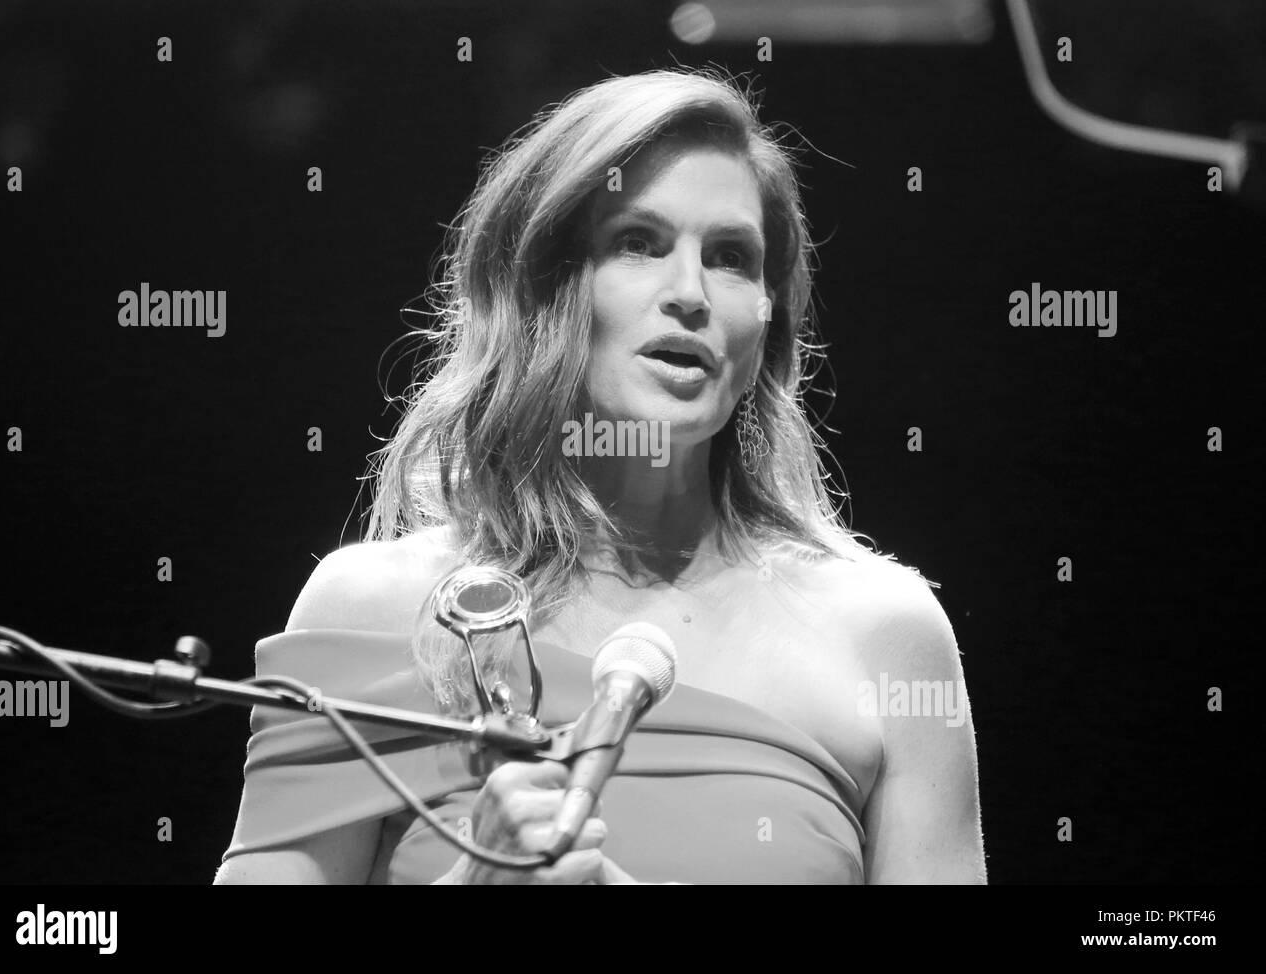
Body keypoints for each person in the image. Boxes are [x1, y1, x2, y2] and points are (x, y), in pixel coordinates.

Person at [214, 66, 986, 885]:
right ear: (545, 290)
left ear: (768, 320)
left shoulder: (885, 634)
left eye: (730, 258)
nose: (689, 293)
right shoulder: (372, 610)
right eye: (638, 243)